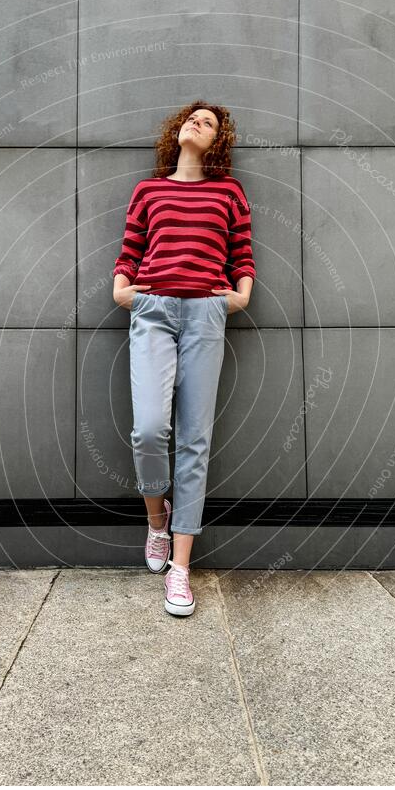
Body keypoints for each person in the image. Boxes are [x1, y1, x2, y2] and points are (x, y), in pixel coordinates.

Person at [112, 100, 256, 617]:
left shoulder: (229, 193)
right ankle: (156, 519)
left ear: (218, 141)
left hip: (205, 313)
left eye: (209, 122)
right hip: (151, 311)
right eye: (191, 118)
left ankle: (180, 567)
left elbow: (242, 251)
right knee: (149, 429)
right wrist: (125, 292)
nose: (197, 123)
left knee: (194, 439)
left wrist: (237, 297)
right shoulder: (149, 190)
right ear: (177, 132)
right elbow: (129, 250)